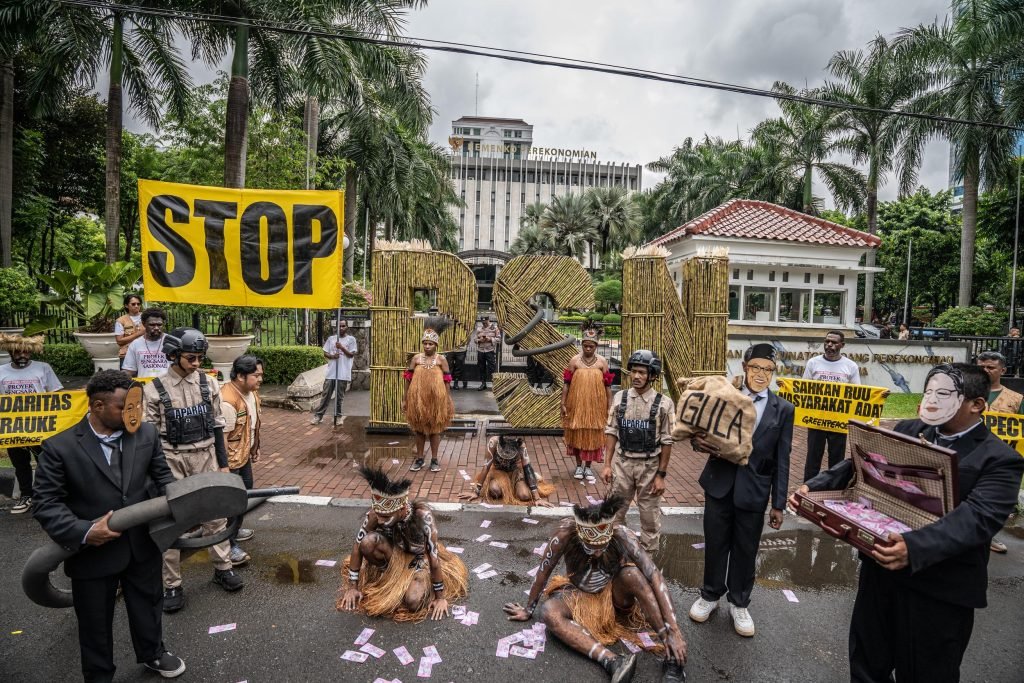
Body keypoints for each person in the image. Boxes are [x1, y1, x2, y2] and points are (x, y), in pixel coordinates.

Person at [790, 363, 1024, 682]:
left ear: (976, 404)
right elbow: (861, 459)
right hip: (880, 575)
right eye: (928, 391)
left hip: (940, 591)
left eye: (943, 395)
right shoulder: (908, 430)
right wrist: (815, 486)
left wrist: (914, 548)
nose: (930, 401)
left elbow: (978, 518)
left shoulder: (999, 459)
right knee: (866, 665)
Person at [32, 370, 185, 681]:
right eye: (125, 408)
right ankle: (99, 673)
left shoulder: (146, 434)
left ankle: (153, 652)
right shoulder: (59, 448)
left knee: (147, 604)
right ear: (97, 406)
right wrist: (85, 532)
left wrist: (173, 512)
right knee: (94, 620)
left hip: (141, 545)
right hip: (92, 554)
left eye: (137, 406)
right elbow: (46, 504)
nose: (135, 414)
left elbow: (162, 479)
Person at [502, 496, 687, 683]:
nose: (597, 552)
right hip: (578, 594)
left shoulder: (622, 535)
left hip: (614, 597)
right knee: (549, 611)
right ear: (580, 535)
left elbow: (654, 575)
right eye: (591, 547)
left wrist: (674, 631)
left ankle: (673, 657)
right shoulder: (565, 534)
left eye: (602, 546)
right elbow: (544, 570)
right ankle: (613, 662)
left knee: (634, 575)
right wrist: (528, 609)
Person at [688, 343, 794, 638]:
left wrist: (778, 503)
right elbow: (699, 433)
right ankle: (709, 595)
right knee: (716, 542)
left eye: (768, 370)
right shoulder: (725, 397)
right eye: (756, 367)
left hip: (754, 490)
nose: (761, 374)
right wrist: (697, 442)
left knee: (746, 549)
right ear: (745, 367)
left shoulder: (783, 410)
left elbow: (782, 459)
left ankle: (739, 603)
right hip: (719, 484)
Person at [142, 327, 243, 612]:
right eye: (191, 358)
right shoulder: (153, 390)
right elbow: (149, 439)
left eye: (200, 358)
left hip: (206, 457)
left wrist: (223, 465)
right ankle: (172, 585)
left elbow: (217, 425)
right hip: (171, 461)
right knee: (173, 524)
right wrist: (158, 477)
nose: (196, 364)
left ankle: (223, 568)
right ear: (173, 355)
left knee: (215, 517)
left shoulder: (208, 384)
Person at [337, 465, 468, 622]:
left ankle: (403, 584)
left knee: (413, 601)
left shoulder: (424, 517)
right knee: (367, 542)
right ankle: (389, 576)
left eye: (386, 517)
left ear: (402, 509)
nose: (379, 520)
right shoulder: (375, 514)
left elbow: (434, 559)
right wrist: (352, 587)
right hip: (393, 554)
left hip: (420, 560)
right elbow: (357, 547)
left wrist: (440, 597)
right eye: (378, 515)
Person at [601, 349, 676, 553]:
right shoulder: (619, 399)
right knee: (614, 515)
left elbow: (668, 441)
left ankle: (647, 563)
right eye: (633, 371)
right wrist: (607, 465)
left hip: (649, 467)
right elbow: (611, 431)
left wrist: (661, 475)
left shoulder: (664, 404)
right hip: (622, 465)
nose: (636, 376)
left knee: (649, 518)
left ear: (652, 375)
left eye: (642, 372)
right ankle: (615, 555)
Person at [0, 333, 63, 514]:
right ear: (10, 352)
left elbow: (56, 395)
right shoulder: (2, 371)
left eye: (26, 352)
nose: (22, 355)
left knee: (45, 460)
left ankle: (48, 496)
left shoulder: (43, 368)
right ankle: (26, 495)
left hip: (40, 425)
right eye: (18, 352)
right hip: (13, 427)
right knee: (20, 463)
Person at [975, 350, 1023, 554]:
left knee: (992, 497)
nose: (985, 371)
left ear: (1002, 370)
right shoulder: (967, 392)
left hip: (999, 459)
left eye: (990, 367)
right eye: (981, 367)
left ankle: (988, 535)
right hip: (969, 454)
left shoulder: (1016, 400)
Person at [220, 355, 264, 567]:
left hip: (244, 456)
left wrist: (255, 447)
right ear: (240, 376)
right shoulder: (228, 400)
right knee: (230, 503)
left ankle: (235, 530)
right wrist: (224, 468)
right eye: (256, 375)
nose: (260, 379)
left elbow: (253, 424)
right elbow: (222, 439)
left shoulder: (251, 394)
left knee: (245, 494)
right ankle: (229, 544)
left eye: (260, 375)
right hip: (231, 462)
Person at [802, 330, 861, 481]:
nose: (829, 345)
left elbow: (857, 394)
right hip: (817, 420)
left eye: (834, 342)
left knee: (837, 460)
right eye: (827, 341)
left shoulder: (851, 366)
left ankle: (833, 488)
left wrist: (879, 396)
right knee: (812, 459)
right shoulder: (813, 363)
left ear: (842, 345)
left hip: (839, 422)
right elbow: (803, 389)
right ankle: (807, 489)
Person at [562, 324, 614, 480]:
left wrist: (609, 406)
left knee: (593, 435)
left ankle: (589, 467)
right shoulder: (574, 361)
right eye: (585, 345)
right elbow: (566, 384)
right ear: (582, 345)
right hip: (576, 404)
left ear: (596, 346)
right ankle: (579, 466)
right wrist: (563, 402)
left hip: (596, 406)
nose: (588, 348)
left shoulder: (602, 362)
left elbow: (608, 387)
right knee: (577, 433)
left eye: (591, 346)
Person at [403, 318, 455, 473]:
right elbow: (407, 379)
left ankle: (434, 459)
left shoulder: (441, 359)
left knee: (434, 430)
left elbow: (447, 381)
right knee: (418, 429)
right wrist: (404, 399)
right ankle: (419, 459)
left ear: (436, 345)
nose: (427, 346)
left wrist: (447, 399)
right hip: (417, 399)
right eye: (425, 343)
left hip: (436, 400)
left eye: (430, 343)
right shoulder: (416, 359)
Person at [459, 434, 555, 506]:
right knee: (495, 491)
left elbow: (527, 467)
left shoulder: (521, 445)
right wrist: (476, 492)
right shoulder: (493, 442)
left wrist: (537, 498)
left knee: (524, 496)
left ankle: (517, 486)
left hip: (516, 472)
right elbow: (486, 466)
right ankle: (507, 488)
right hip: (498, 472)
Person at [311, 319, 358, 425]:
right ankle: (319, 416)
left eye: (343, 326)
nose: (341, 328)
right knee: (326, 395)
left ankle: (338, 416)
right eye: (339, 326)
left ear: (347, 327)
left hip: (343, 373)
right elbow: (325, 352)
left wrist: (341, 347)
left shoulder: (351, 340)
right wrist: (332, 356)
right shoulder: (331, 339)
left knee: (339, 397)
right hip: (331, 372)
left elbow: (351, 354)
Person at [122, 308, 170, 379]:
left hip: (168, 386)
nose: (156, 328)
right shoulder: (136, 344)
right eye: (152, 325)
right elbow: (129, 370)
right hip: (145, 387)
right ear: (144, 324)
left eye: (159, 324)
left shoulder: (171, 342)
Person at [114, 294, 145, 367]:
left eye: (138, 304)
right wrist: (138, 334)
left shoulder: (146, 318)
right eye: (133, 304)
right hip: (126, 355)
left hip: (145, 354)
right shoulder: (120, 321)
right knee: (127, 378)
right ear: (126, 305)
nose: (136, 306)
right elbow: (119, 341)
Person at [475, 314, 500, 391]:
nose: (484, 324)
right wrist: (479, 340)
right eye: (483, 323)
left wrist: (490, 339)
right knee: (481, 367)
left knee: (492, 368)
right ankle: (483, 384)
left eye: (485, 322)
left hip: (490, 350)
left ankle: (494, 384)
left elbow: (499, 339)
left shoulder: (494, 328)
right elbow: (475, 340)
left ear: (488, 320)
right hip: (481, 351)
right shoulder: (479, 329)